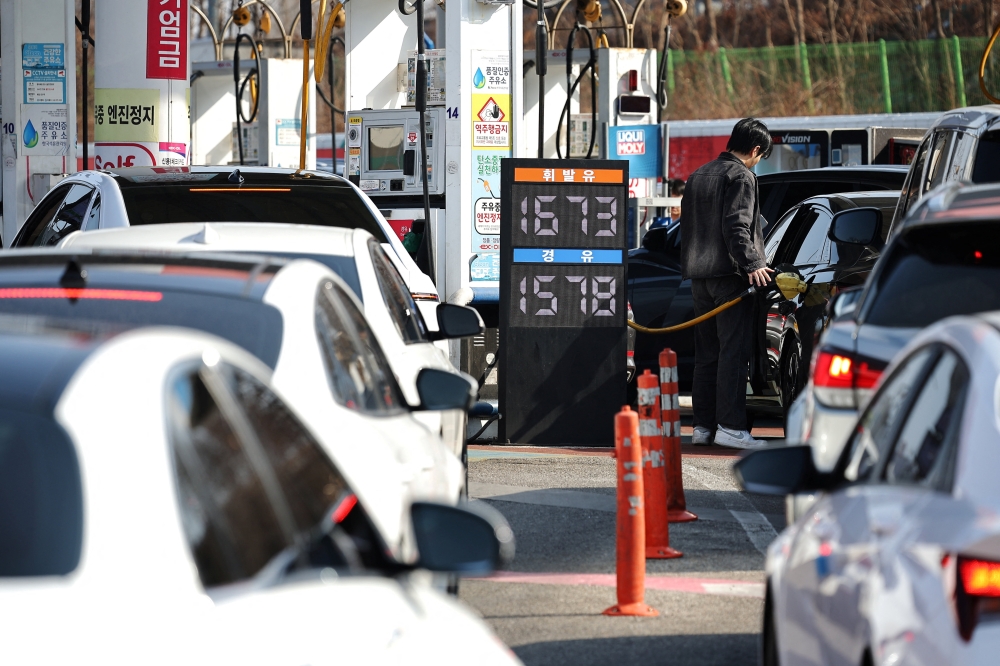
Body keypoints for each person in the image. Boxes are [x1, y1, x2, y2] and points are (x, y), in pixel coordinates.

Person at [679, 118, 774, 449]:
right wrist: (754, 264)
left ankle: (703, 427)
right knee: (733, 354)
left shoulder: (698, 175)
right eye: (760, 159)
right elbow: (737, 227)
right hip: (729, 279)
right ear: (755, 150)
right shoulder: (742, 176)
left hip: (699, 279)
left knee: (707, 355)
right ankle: (732, 428)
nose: (757, 164)